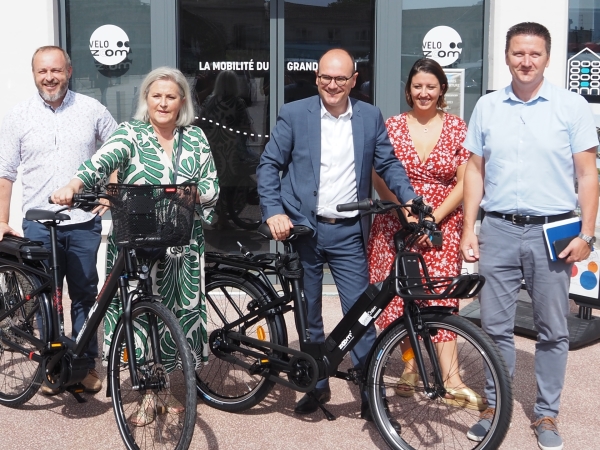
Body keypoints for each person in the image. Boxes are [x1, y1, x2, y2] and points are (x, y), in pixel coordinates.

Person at [52, 67, 219, 424]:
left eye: (170, 96)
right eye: (156, 95)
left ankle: (168, 387)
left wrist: (193, 193)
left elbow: (212, 185)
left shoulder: (197, 137)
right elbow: (103, 159)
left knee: (178, 316)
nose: (163, 102)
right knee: (141, 319)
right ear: (146, 99)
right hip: (138, 244)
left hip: (182, 248)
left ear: (182, 102)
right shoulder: (131, 133)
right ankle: (147, 394)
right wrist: (75, 183)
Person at [257, 48, 416, 419]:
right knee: (309, 313)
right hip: (304, 230)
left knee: (361, 312)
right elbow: (269, 165)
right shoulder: (295, 114)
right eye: (325, 78)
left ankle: (369, 389)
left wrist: (409, 199)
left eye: (340, 78)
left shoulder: (369, 116)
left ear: (353, 80)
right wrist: (274, 211)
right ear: (316, 79)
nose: (332, 85)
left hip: (347, 233)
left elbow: (387, 162)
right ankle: (316, 385)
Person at [460, 22, 599, 450]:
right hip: (498, 228)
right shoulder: (487, 107)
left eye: (534, 54)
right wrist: (469, 226)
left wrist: (588, 235)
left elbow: (587, 173)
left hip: (553, 232)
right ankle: (494, 405)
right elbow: (475, 171)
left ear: (547, 58)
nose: (525, 61)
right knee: (494, 327)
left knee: (553, 329)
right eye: (518, 53)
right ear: (506, 56)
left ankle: (546, 414)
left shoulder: (572, 106)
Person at [367, 58, 484, 411]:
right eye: (418, 86)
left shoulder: (457, 128)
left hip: (441, 225)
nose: (424, 92)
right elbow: (378, 176)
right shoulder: (391, 126)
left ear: (442, 90)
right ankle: (410, 366)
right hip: (396, 223)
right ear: (408, 90)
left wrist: (431, 217)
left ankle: (452, 379)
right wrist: (407, 215)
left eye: (431, 86)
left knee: (440, 299)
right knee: (399, 299)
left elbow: (466, 181)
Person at [0, 45, 118, 395]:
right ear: (34, 75)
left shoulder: (91, 109)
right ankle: (51, 364)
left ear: (68, 70)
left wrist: (110, 194)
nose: (49, 77)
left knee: (84, 294)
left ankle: (84, 365)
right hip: (38, 223)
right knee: (45, 297)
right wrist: (1, 220)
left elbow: (120, 149)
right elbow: (5, 173)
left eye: (55, 70)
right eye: (42, 72)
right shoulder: (18, 116)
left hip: (83, 221)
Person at [197, 70, 255, 230]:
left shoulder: (210, 100)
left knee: (219, 183)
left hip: (213, 148)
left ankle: (221, 217)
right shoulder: (237, 102)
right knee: (232, 182)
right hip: (232, 149)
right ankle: (225, 217)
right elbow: (244, 125)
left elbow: (202, 122)